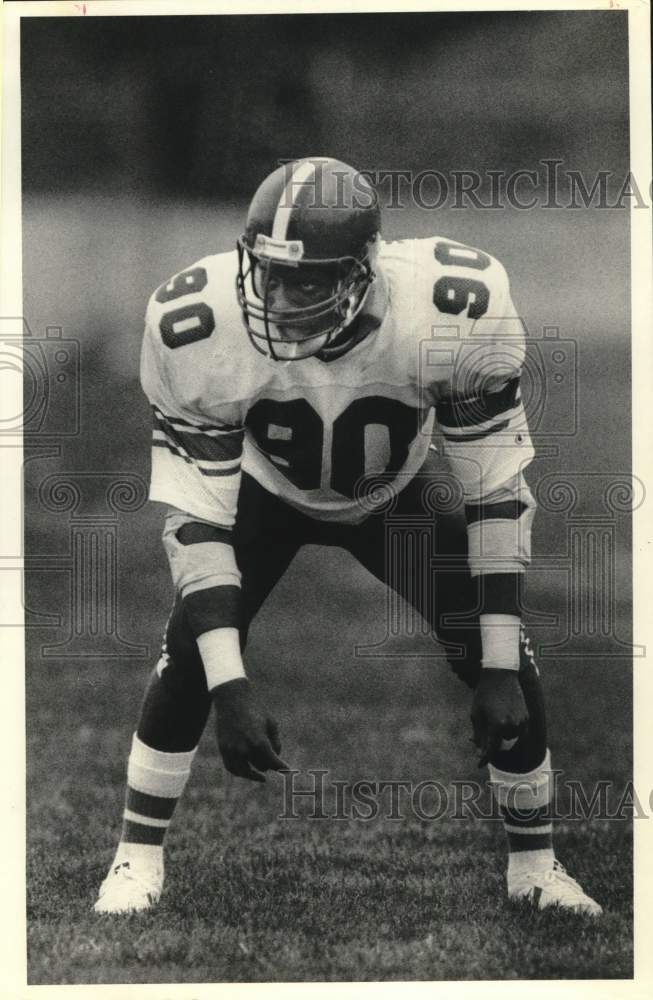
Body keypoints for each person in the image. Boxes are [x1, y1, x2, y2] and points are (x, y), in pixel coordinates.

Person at [94, 157, 601, 916]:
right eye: (266, 275)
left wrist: (495, 665)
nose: (277, 299)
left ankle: (536, 867)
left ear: (361, 272)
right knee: (190, 652)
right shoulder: (194, 324)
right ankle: (133, 861)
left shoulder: (450, 307)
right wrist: (232, 689)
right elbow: (196, 521)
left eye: (305, 282)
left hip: (389, 495)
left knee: (497, 653)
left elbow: (494, 489)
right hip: (264, 493)